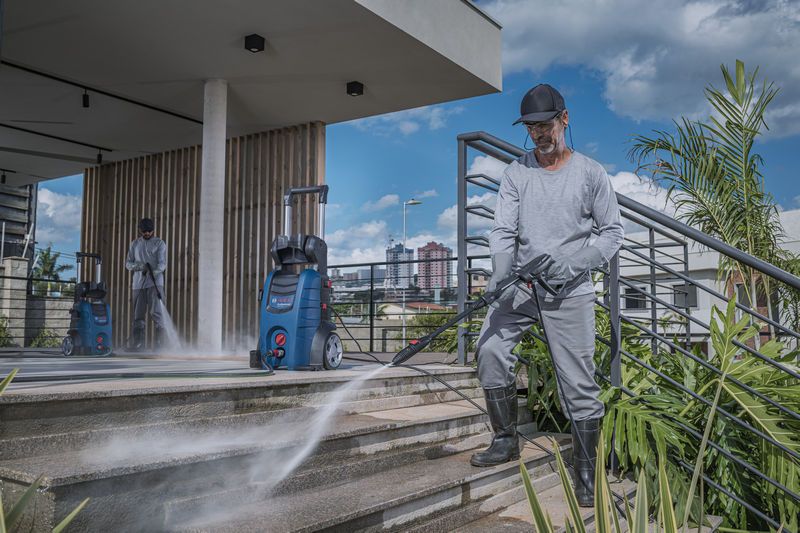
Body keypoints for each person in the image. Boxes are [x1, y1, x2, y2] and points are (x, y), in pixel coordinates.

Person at [470, 84, 624, 507]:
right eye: (532, 127)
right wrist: (499, 273)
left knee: (579, 383)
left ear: (564, 120)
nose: (539, 134)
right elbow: (503, 230)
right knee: (490, 350)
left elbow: (612, 233)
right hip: (520, 285)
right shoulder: (517, 173)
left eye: (545, 125)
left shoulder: (590, 174)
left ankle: (587, 472)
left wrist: (576, 263)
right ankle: (504, 438)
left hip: (569, 291)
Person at [125, 217, 167, 350]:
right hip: (138, 284)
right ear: (140, 230)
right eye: (144, 231)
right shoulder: (134, 244)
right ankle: (138, 344)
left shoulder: (159, 243)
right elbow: (127, 263)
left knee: (157, 312)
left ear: (153, 230)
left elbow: (162, 263)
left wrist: (154, 272)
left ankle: (160, 345)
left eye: (149, 231)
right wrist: (139, 267)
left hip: (155, 283)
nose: (147, 233)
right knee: (138, 314)